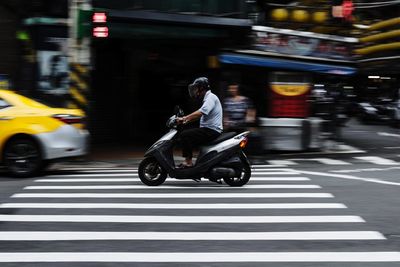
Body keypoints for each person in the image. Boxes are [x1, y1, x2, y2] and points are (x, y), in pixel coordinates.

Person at [176, 77, 223, 168]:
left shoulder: (210, 97)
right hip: (208, 130)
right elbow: (200, 115)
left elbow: (200, 112)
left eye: (196, 88)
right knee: (188, 135)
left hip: (211, 130)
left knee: (185, 135)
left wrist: (185, 118)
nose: (194, 90)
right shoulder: (207, 98)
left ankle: (188, 162)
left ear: (201, 88)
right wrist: (185, 121)